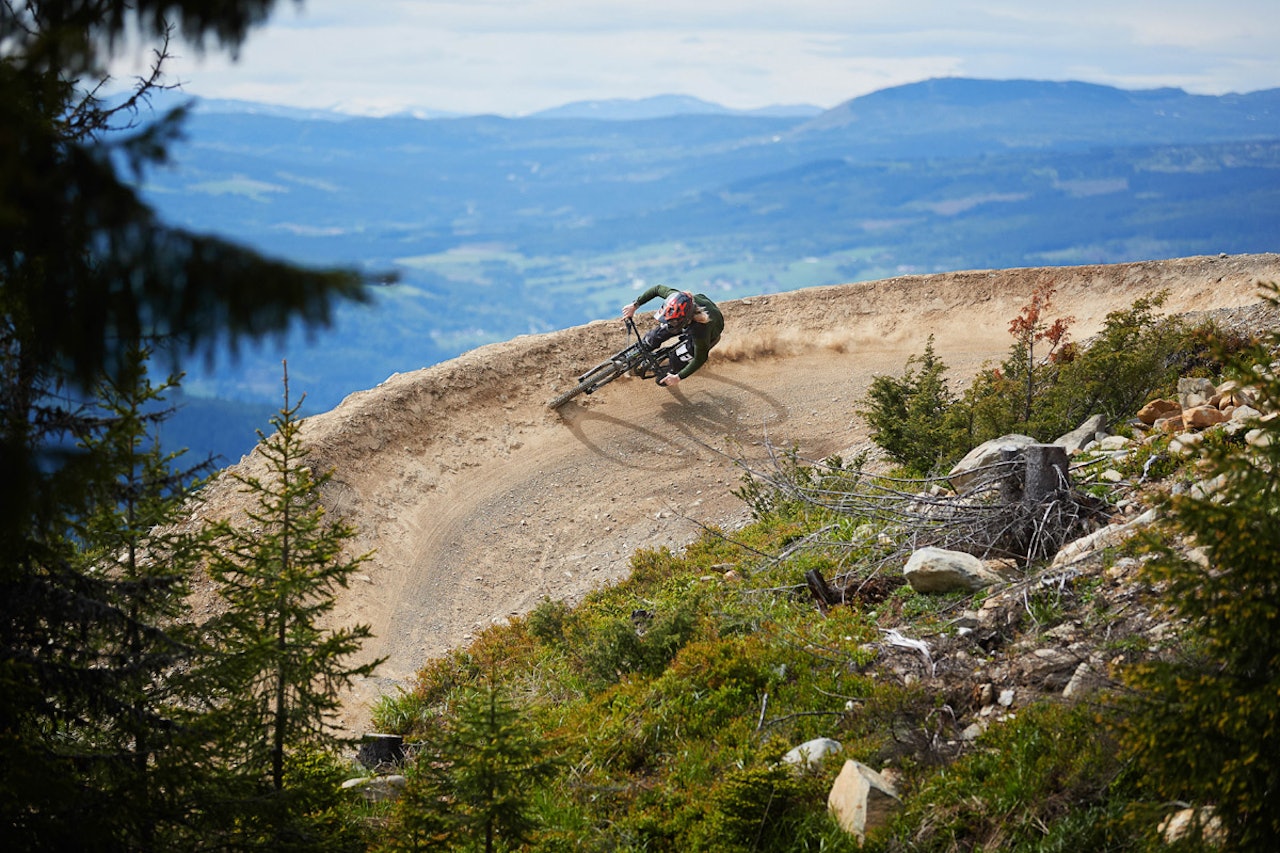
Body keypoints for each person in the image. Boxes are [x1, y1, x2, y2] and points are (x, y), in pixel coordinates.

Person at [621, 285, 724, 387]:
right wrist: (635, 305)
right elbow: (657, 289)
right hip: (686, 319)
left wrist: (678, 377)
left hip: (710, 334)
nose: (669, 323)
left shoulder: (700, 330)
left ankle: (673, 367)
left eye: (673, 322)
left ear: (684, 320)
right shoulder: (678, 299)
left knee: (677, 358)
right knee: (653, 337)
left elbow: (700, 358)